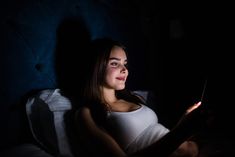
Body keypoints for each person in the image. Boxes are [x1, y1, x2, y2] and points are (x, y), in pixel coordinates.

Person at [74, 38, 207, 157]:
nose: (124, 69)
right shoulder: (86, 113)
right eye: (114, 63)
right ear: (96, 67)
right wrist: (182, 132)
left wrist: (185, 122)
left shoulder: (132, 98)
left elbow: (157, 138)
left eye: (125, 63)